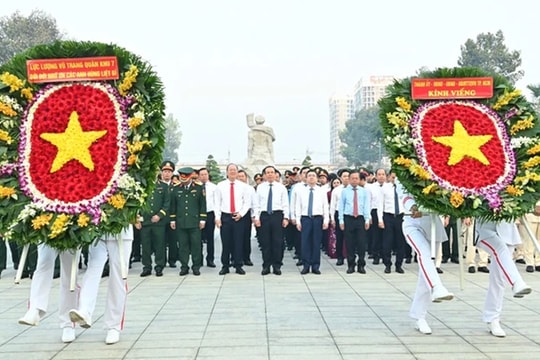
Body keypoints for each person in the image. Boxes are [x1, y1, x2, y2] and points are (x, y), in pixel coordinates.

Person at [69, 225, 133, 344]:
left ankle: (113, 325)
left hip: (121, 229)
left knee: (118, 277)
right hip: (98, 229)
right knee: (93, 268)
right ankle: (85, 311)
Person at [401, 192, 454, 335]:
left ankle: (419, 316)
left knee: (425, 272)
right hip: (413, 223)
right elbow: (403, 194)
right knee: (424, 254)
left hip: (433, 224)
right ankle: (437, 287)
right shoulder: (402, 170)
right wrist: (413, 207)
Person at [475, 220, 532, 337]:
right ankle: (516, 282)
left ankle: (492, 318)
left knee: (498, 276)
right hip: (485, 228)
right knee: (499, 249)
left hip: (507, 231)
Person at [18, 244, 80, 343]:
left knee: (69, 273)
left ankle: (68, 323)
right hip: (47, 231)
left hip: (72, 231)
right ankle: (35, 309)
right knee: (43, 264)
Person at [214, 163, 251, 275]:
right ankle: (225, 266)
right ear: (227, 172)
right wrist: (217, 217)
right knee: (226, 242)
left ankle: (238, 265)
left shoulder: (243, 186)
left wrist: (241, 214)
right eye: (230, 170)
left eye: (234, 170)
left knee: (238, 242)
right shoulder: (220, 185)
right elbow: (217, 203)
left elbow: (247, 202)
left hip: (238, 217)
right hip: (225, 216)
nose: (232, 172)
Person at [136, 161, 172, 277]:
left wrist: (159, 215)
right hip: (145, 221)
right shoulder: (142, 186)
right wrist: (137, 218)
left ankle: (159, 266)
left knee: (159, 245)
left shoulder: (164, 186)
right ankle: (147, 267)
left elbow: (167, 204)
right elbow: (137, 202)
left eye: (156, 171)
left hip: (158, 221)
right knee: (145, 246)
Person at [170, 167, 206, 276]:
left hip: (194, 222)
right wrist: (172, 219)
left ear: (190, 177)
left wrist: (203, 219)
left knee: (196, 246)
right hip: (181, 222)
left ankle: (196, 266)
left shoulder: (199, 188)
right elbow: (173, 206)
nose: (183, 180)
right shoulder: (176, 188)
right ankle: (184, 266)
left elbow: (202, 205)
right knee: (182, 246)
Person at [253, 165, 290, 275]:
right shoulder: (260, 187)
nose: (270, 174)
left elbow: (285, 204)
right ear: (264, 175)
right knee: (265, 242)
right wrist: (256, 217)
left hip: (277, 215)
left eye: (272, 172)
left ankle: (277, 265)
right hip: (264, 216)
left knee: (277, 242)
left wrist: (286, 217)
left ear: (275, 174)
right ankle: (266, 265)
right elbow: (257, 204)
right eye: (267, 172)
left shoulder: (281, 187)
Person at [294, 169, 330, 274]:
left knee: (316, 242)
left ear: (317, 178)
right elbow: (298, 206)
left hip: (317, 218)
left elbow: (325, 206)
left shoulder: (321, 191)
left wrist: (326, 220)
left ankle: (315, 266)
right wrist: (298, 221)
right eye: (309, 175)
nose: (311, 177)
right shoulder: (301, 191)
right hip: (305, 218)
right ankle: (306, 265)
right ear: (306, 177)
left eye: (313, 175)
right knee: (305, 243)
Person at [338, 171, 371, 274]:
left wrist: (367, 219)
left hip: (360, 219)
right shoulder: (344, 191)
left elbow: (366, 206)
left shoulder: (364, 191)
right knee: (349, 243)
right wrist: (341, 220)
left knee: (361, 243)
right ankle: (351, 265)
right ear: (349, 179)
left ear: (359, 179)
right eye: (352, 178)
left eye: (356, 178)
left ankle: (361, 265)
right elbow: (341, 206)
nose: (354, 180)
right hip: (348, 218)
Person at [198, 167, 217, 268]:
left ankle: (210, 259)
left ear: (208, 175)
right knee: (198, 238)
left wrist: (217, 216)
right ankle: (199, 260)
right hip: (199, 215)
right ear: (198, 176)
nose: (204, 176)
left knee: (210, 238)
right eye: (201, 175)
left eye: (205, 174)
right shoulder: (196, 187)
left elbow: (216, 202)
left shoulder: (214, 187)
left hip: (210, 214)